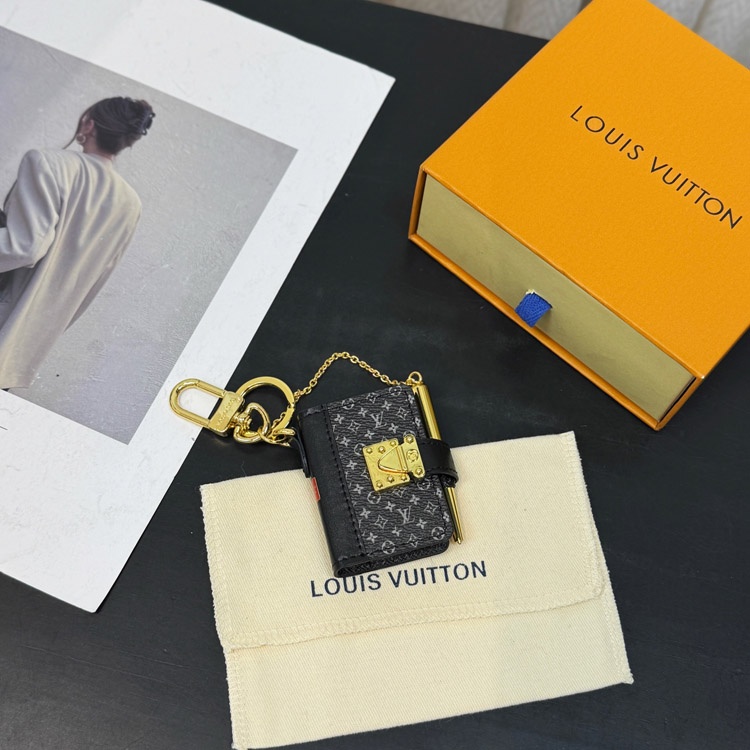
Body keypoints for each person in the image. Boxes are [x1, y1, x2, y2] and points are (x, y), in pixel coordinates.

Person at [0, 96, 155, 389]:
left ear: (88, 124)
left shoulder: (46, 162)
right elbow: (92, 285)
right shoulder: (130, 203)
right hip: (23, 346)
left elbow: (23, 247)